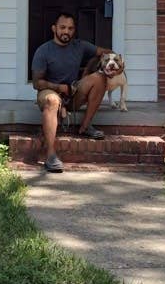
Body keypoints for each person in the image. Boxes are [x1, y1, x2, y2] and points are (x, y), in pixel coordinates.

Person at [31, 12, 110, 172]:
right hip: (49, 92)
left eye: (70, 28)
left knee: (100, 78)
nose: (66, 31)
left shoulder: (80, 46)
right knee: (52, 101)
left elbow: (107, 53)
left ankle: (85, 126)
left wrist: (91, 68)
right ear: (54, 28)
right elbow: (36, 82)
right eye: (62, 27)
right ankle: (51, 156)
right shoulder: (43, 50)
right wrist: (59, 88)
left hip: (73, 93)